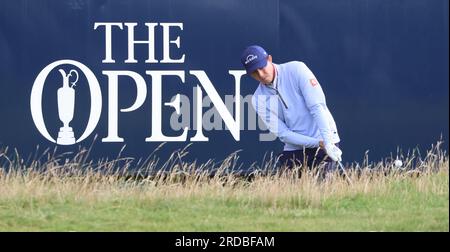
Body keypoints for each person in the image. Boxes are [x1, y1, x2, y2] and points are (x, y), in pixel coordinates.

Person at [241, 45, 342, 172]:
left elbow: (317, 107)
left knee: (322, 190)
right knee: (289, 191)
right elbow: (284, 134)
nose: (260, 74)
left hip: (325, 139)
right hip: (294, 147)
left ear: (269, 59)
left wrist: (327, 142)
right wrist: (317, 143)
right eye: (254, 72)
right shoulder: (257, 99)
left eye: (261, 67)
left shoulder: (296, 69)